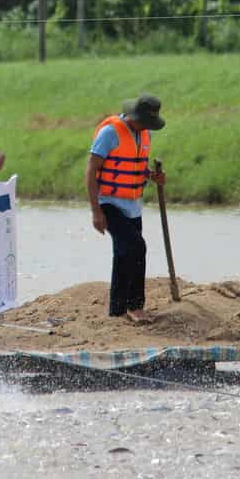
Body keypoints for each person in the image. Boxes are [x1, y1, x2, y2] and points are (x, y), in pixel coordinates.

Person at [86, 95, 166, 324]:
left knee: (123, 254)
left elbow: (136, 167)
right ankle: (135, 306)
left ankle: (117, 310)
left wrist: (153, 176)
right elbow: (91, 171)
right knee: (137, 247)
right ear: (133, 116)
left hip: (133, 205)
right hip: (108, 203)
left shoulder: (144, 133)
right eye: (144, 122)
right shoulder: (109, 134)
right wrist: (96, 212)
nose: (147, 127)